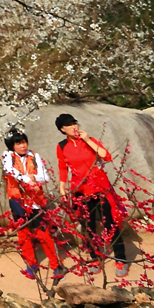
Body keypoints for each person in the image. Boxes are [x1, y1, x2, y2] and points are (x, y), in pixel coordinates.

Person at [55, 113, 128, 278]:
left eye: (75, 123)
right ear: (62, 129)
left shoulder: (90, 140)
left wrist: (88, 140)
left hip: (100, 187)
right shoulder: (62, 146)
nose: (74, 127)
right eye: (69, 125)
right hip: (80, 189)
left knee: (110, 222)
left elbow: (106, 156)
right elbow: (62, 167)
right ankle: (95, 258)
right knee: (88, 226)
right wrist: (62, 188)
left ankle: (121, 258)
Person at [2, 130, 65, 282]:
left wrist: (34, 178)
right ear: (12, 145)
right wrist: (26, 179)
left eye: (24, 142)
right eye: (18, 143)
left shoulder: (34, 156)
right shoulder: (8, 156)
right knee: (23, 233)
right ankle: (31, 264)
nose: (23, 146)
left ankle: (56, 265)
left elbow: (44, 177)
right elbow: (9, 170)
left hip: (35, 199)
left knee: (43, 232)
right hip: (17, 198)